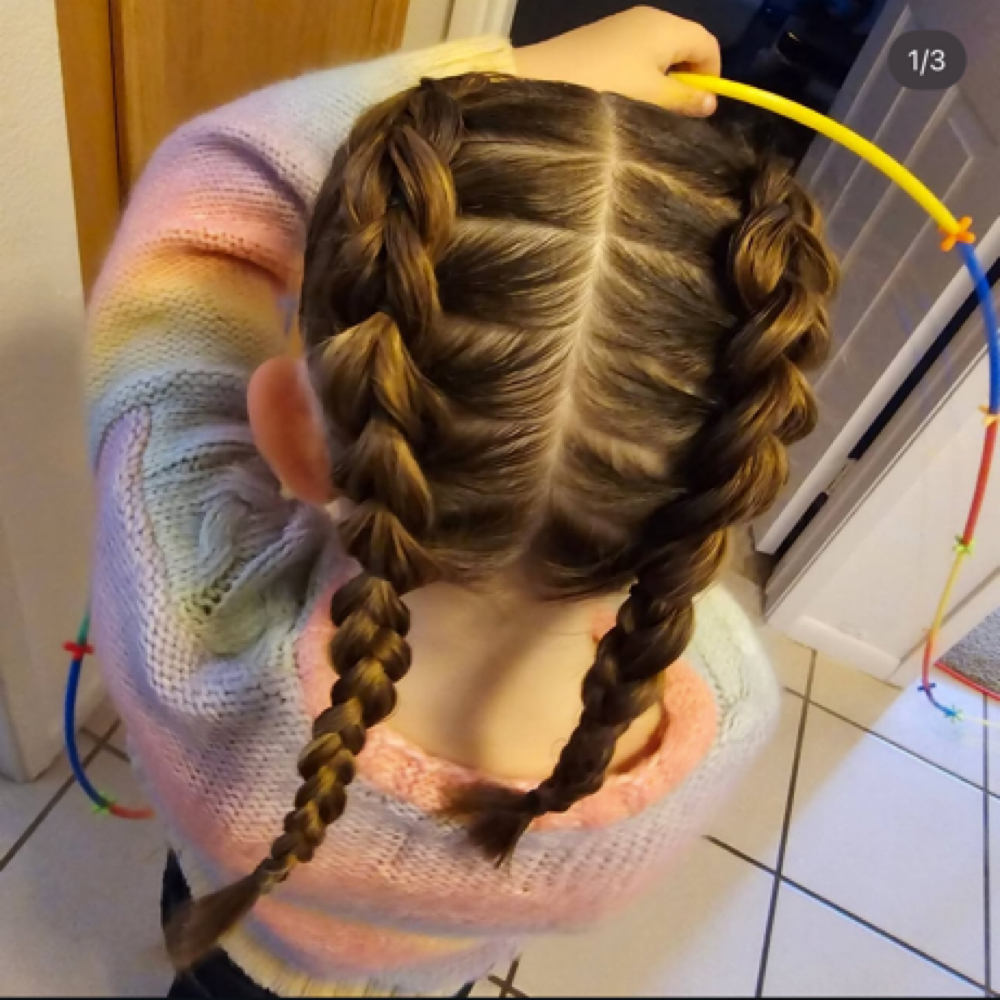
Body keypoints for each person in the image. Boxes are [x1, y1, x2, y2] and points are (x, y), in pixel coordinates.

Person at [86, 7, 837, 998]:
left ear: (290, 436)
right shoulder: (723, 706)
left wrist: (512, 64)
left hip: (239, 931)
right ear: (708, 489)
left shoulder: (189, 602)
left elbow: (202, 216)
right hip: (429, 971)